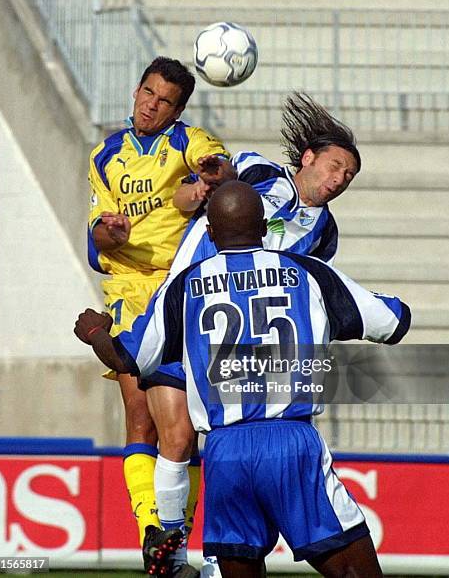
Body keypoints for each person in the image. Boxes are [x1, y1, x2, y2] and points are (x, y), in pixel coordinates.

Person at [75, 182, 411, 578]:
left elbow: (130, 358)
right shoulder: (307, 273)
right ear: (265, 227)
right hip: (290, 444)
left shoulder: (183, 286)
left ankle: (170, 541)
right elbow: (393, 322)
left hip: (225, 452)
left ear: (211, 233)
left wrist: (96, 332)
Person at [122, 92, 362, 577]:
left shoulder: (324, 232)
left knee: (222, 445)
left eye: (348, 177)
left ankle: (211, 560)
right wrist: (210, 177)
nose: (338, 181)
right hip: (186, 310)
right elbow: (222, 177)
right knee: (176, 437)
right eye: (335, 167)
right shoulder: (259, 172)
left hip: (234, 342)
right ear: (309, 157)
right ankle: (169, 550)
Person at [87, 56, 229, 577]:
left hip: (183, 289)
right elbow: (93, 240)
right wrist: (111, 233)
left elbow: (217, 168)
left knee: (184, 427)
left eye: (164, 99)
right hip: (129, 287)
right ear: (135, 90)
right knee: (138, 411)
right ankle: (154, 531)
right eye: (147, 92)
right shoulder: (105, 156)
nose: (151, 104)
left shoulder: (188, 142)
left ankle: (175, 536)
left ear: (178, 109)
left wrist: (209, 178)